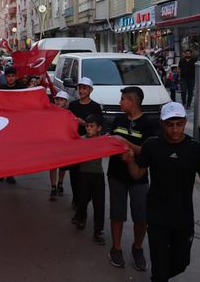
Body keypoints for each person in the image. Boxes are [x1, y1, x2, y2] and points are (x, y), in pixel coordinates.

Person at [121, 102, 200, 282]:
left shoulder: (195, 148)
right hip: (157, 217)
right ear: (162, 124)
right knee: (160, 269)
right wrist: (129, 161)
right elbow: (138, 174)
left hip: (183, 217)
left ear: (185, 122)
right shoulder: (152, 145)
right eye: (170, 125)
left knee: (181, 263)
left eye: (179, 124)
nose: (175, 130)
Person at [107, 86, 157, 270]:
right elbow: (112, 141)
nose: (120, 103)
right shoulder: (118, 119)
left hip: (139, 177)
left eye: (123, 99)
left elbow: (148, 150)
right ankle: (116, 248)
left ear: (133, 102)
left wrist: (127, 144)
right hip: (116, 174)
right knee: (117, 214)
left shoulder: (149, 124)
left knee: (141, 216)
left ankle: (137, 247)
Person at [68, 77, 102, 210]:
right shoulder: (73, 105)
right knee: (74, 173)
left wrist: (84, 124)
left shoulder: (95, 107)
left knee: (86, 175)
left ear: (90, 90)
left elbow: (99, 126)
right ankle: (76, 199)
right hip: (75, 144)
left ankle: (83, 201)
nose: (81, 91)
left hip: (89, 147)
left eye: (84, 88)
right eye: (80, 88)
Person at [73, 115, 107, 246]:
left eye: (92, 126)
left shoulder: (103, 140)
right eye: (87, 126)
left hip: (98, 175)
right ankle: (81, 218)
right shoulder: (81, 140)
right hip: (84, 175)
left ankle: (98, 231)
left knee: (99, 205)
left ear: (99, 128)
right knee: (82, 200)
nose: (88, 129)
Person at [50, 90, 70, 200]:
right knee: (52, 166)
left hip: (64, 143)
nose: (58, 101)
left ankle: (60, 183)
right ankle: (53, 187)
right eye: (57, 99)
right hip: (53, 143)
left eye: (61, 99)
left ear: (66, 102)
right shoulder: (49, 112)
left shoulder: (68, 114)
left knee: (63, 165)